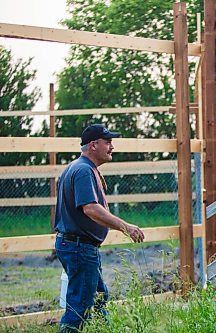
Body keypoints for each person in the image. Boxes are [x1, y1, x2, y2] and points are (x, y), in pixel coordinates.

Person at [54, 124, 145, 332]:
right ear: (94, 145)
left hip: (77, 246)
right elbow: (91, 209)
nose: (112, 147)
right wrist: (125, 227)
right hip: (79, 248)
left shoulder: (76, 167)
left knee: (98, 300)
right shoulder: (84, 170)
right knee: (80, 307)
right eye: (108, 142)